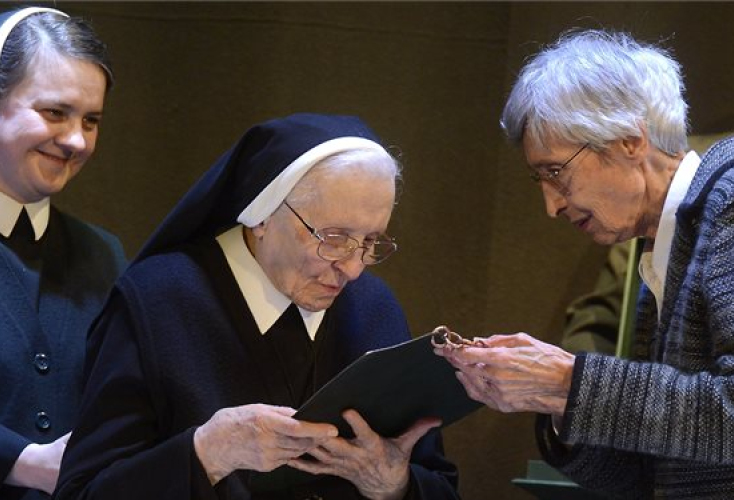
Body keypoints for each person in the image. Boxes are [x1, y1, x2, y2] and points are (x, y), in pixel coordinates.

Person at [54, 113, 460, 500]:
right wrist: (207, 453)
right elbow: (84, 491)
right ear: (262, 216)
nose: (353, 269)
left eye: (371, 242)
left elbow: (440, 484)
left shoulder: (374, 308)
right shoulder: (157, 301)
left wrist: (394, 486)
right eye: (334, 239)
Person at [436, 29, 734, 498]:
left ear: (629, 140)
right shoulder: (665, 243)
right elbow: (652, 476)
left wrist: (569, 380)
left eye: (555, 172)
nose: (551, 206)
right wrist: (555, 399)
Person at [0, 7, 126, 500]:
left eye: (90, 121)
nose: (76, 140)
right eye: (55, 112)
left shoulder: (102, 254)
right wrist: (20, 461)